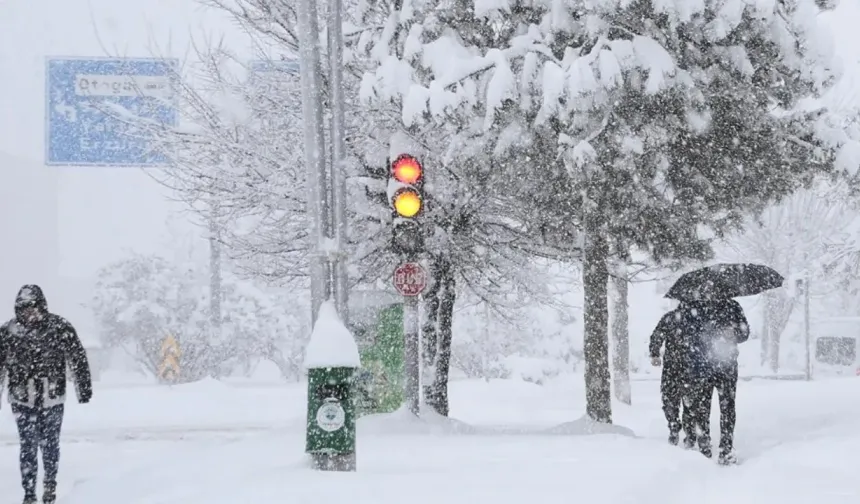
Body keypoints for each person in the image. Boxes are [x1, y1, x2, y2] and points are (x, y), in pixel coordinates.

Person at [0, 285, 93, 504]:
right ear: (18, 310)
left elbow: (77, 357)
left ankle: (50, 485)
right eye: (25, 309)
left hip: (52, 397)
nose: (30, 314)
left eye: (34, 309)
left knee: (50, 444)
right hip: (22, 398)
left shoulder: (59, 327)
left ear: (42, 307)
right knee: (28, 445)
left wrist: (84, 388)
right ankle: (29, 492)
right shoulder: (8, 332)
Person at [681, 298, 749, 465]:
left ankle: (726, 449)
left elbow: (745, 333)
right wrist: (705, 334)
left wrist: (734, 333)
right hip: (702, 366)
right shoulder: (695, 307)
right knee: (702, 408)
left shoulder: (733, 306)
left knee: (727, 408)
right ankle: (704, 447)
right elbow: (685, 334)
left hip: (727, 367)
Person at [649, 308, 696, 448]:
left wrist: (655, 353)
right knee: (689, 402)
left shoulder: (670, 318)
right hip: (690, 367)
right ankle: (687, 432)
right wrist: (655, 352)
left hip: (674, 367)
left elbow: (657, 335)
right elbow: (657, 335)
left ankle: (675, 427)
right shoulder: (696, 318)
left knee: (671, 400)